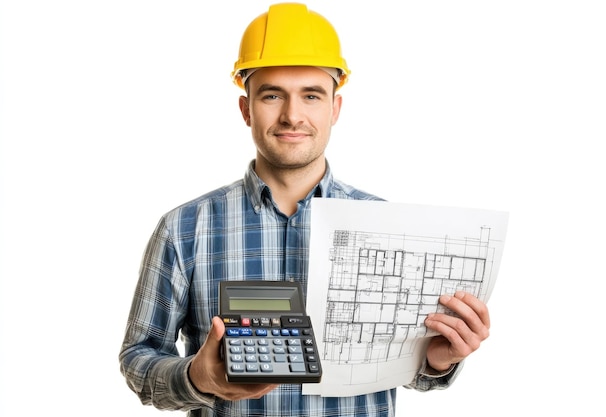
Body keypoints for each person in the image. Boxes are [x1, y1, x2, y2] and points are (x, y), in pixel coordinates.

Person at [119, 3, 491, 416]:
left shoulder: (390, 226)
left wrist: (437, 359)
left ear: (335, 108)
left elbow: (414, 369)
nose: (292, 115)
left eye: (311, 95)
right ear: (246, 109)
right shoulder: (185, 229)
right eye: (272, 94)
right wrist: (196, 379)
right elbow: (139, 358)